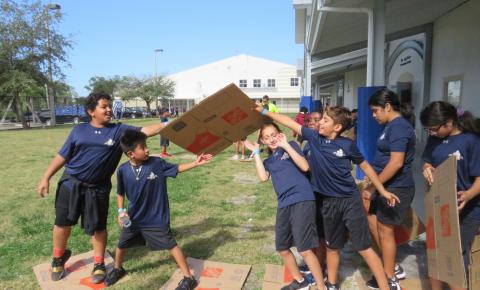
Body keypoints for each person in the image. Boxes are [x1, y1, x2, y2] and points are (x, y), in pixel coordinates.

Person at [256, 105, 400, 290]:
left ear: (337, 127)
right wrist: (264, 112)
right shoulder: (314, 139)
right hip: (328, 203)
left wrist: (381, 190)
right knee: (332, 247)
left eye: (324, 120)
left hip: (350, 202)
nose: (319, 123)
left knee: (364, 247)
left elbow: (366, 168)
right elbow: (289, 121)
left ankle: (385, 286)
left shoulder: (347, 145)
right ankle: (331, 284)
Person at [37, 92, 166, 283]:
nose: (108, 110)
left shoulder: (118, 130)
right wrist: (46, 177)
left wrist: (167, 124)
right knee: (62, 223)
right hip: (71, 183)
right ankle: (58, 257)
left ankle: (98, 264)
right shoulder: (78, 131)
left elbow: (145, 130)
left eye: (109, 106)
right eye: (104, 106)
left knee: (98, 227)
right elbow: (62, 156)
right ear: (91, 111)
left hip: (97, 188)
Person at [104, 130, 213, 288]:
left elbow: (176, 168)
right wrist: (121, 212)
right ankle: (118, 268)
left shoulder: (156, 163)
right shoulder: (122, 170)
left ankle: (189, 278)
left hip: (156, 218)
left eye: (146, 145)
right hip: (134, 218)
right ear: (131, 153)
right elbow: (120, 193)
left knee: (171, 245)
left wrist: (196, 163)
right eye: (142, 147)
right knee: (121, 244)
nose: (147, 149)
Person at [243, 122, 326, 290]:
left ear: (280, 133)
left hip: (302, 199)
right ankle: (300, 281)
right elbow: (263, 177)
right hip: (284, 203)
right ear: (263, 141)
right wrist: (256, 153)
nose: (272, 139)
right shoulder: (269, 161)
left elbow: (305, 166)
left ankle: (321, 286)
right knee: (282, 248)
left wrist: (286, 145)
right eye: (267, 137)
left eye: (274, 134)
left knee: (304, 249)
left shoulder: (292, 145)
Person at [420, 101, 480, 290]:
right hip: (440, 205)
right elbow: (427, 162)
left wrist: (469, 194)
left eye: (434, 129)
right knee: (434, 250)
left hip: (467, 208)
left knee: (455, 255)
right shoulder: (434, 139)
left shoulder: (471, 141)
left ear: (449, 122)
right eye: (428, 130)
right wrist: (427, 169)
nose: (432, 133)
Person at [362, 89, 416, 290]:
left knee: (385, 231)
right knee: (372, 223)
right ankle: (391, 265)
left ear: (387, 107)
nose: (374, 115)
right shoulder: (390, 126)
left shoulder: (400, 127)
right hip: (383, 184)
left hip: (396, 187)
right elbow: (385, 159)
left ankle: (390, 278)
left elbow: (396, 163)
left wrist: (375, 188)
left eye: (376, 111)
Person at [298, 109, 327, 284]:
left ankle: (321, 267)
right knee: (313, 230)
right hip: (311, 193)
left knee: (322, 234)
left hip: (323, 194)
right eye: (309, 121)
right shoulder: (308, 143)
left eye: (317, 120)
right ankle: (314, 262)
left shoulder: (325, 142)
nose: (312, 123)